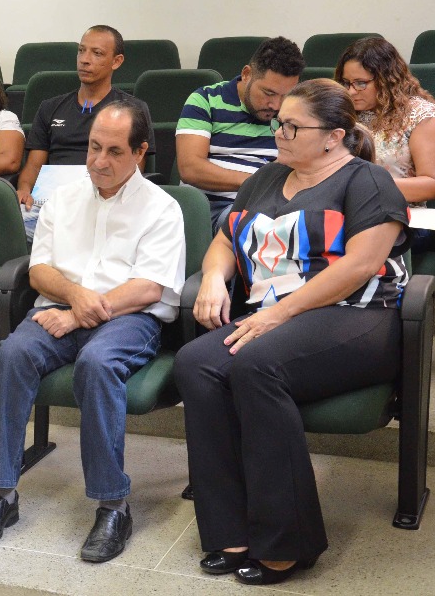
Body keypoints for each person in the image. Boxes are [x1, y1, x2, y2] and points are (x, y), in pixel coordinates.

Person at [173, 79, 410, 586]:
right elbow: (225, 238)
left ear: (334, 136)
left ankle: (287, 542)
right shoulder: (265, 178)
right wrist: (213, 278)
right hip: (274, 315)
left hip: (357, 316)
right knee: (195, 363)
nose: (279, 133)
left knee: (258, 364)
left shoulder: (368, 181)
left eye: (292, 127)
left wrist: (276, 316)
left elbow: (360, 266)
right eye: (279, 124)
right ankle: (230, 531)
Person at [0, 101, 185, 563]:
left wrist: (79, 311)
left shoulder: (162, 207)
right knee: (8, 358)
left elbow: (148, 288)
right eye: (94, 147)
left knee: (97, 363)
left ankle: (113, 505)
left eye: (114, 151)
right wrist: (74, 297)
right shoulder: (63, 198)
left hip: (130, 318)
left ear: (140, 152)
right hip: (59, 308)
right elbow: (40, 270)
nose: (99, 161)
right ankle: (2, 494)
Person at [16, 25, 155, 239]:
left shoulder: (132, 110)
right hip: (52, 202)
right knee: (10, 227)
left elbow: (132, 169)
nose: (85, 60)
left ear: (116, 61)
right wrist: (24, 190)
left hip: (105, 200)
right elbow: (34, 165)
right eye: (81, 51)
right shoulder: (50, 107)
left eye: (96, 53)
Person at [176, 37, 305, 234]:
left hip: (272, 207)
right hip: (211, 209)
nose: (276, 105)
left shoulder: (294, 112)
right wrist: (258, 182)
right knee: (251, 224)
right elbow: (190, 169)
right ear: (246, 74)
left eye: (285, 95)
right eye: (268, 93)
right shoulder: (206, 99)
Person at [334, 37, 435, 207]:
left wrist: (366, 187)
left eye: (360, 83)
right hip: (345, 209)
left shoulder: (418, 114)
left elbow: (432, 186)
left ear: (385, 79)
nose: (351, 91)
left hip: (399, 211)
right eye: (346, 83)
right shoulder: (344, 112)